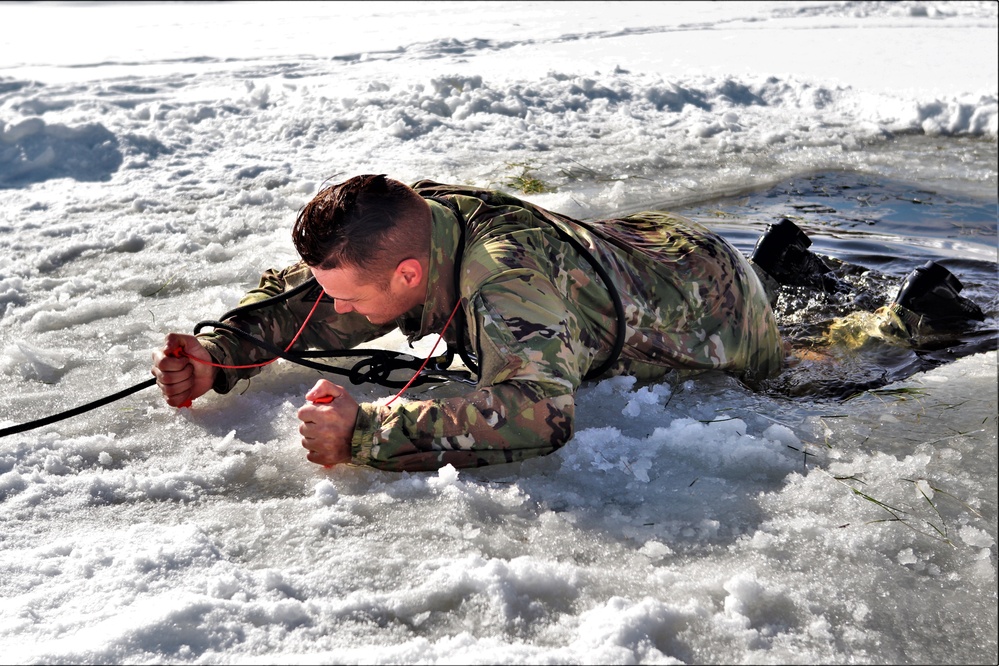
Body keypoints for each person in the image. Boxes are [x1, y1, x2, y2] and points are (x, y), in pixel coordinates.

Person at [150, 175, 986, 471]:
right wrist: (221, 354)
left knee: (803, 380)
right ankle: (787, 268)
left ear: (411, 272)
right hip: (637, 251)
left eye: (348, 295)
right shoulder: (401, 226)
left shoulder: (507, 286)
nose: (334, 313)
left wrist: (364, 434)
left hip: (703, 298)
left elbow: (535, 414)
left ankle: (907, 318)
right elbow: (321, 299)